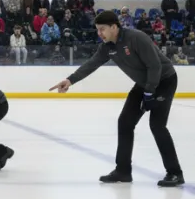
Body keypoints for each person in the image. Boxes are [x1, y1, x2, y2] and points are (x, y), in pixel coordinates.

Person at [49, 11, 184, 187]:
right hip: (144, 84)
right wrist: (70, 80)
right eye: (97, 30)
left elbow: (155, 65)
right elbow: (92, 64)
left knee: (157, 125)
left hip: (164, 80)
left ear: (114, 27)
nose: (99, 33)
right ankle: (123, 171)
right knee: (125, 123)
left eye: (102, 29)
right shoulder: (107, 47)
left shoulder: (136, 38)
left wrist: (149, 92)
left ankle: (175, 173)